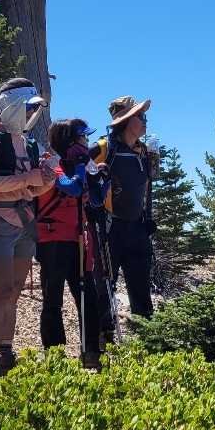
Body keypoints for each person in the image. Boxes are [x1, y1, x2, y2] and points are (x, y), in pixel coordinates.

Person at [0, 78, 56, 381]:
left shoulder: (23, 141)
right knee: (1, 291)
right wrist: (29, 178)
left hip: (22, 221)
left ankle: (5, 350)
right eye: (28, 107)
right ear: (12, 105)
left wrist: (44, 179)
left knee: (14, 292)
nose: (31, 113)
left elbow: (29, 189)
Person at [35, 118, 105, 368]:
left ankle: (91, 352)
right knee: (53, 298)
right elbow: (72, 188)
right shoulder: (50, 164)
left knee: (87, 296)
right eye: (83, 138)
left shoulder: (81, 164)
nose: (87, 143)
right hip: (53, 240)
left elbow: (96, 200)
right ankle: (55, 356)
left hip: (78, 240)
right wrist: (80, 167)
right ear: (71, 141)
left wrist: (99, 175)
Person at [93, 95, 158, 319]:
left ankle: (147, 336)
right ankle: (104, 338)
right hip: (109, 228)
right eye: (141, 116)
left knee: (141, 287)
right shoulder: (104, 148)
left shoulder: (142, 151)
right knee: (105, 286)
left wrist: (148, 218)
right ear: (126, 120)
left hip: (138, 228)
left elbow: (147, 185)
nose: (145, 120)